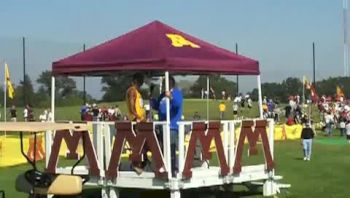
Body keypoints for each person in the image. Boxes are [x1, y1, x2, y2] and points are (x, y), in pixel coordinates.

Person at [151, 76, 183, 176]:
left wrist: (171, 97)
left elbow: (177, 104)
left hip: (172, 126)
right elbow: (157, 106)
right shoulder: (162, 95)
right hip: (162, 126)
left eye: (166, 82)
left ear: (171, 83)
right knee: (162, 148)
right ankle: (164, 168)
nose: (164, 84)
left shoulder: (176, 93)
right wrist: (152, 98)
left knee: (170, 149)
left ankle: (173, 169)